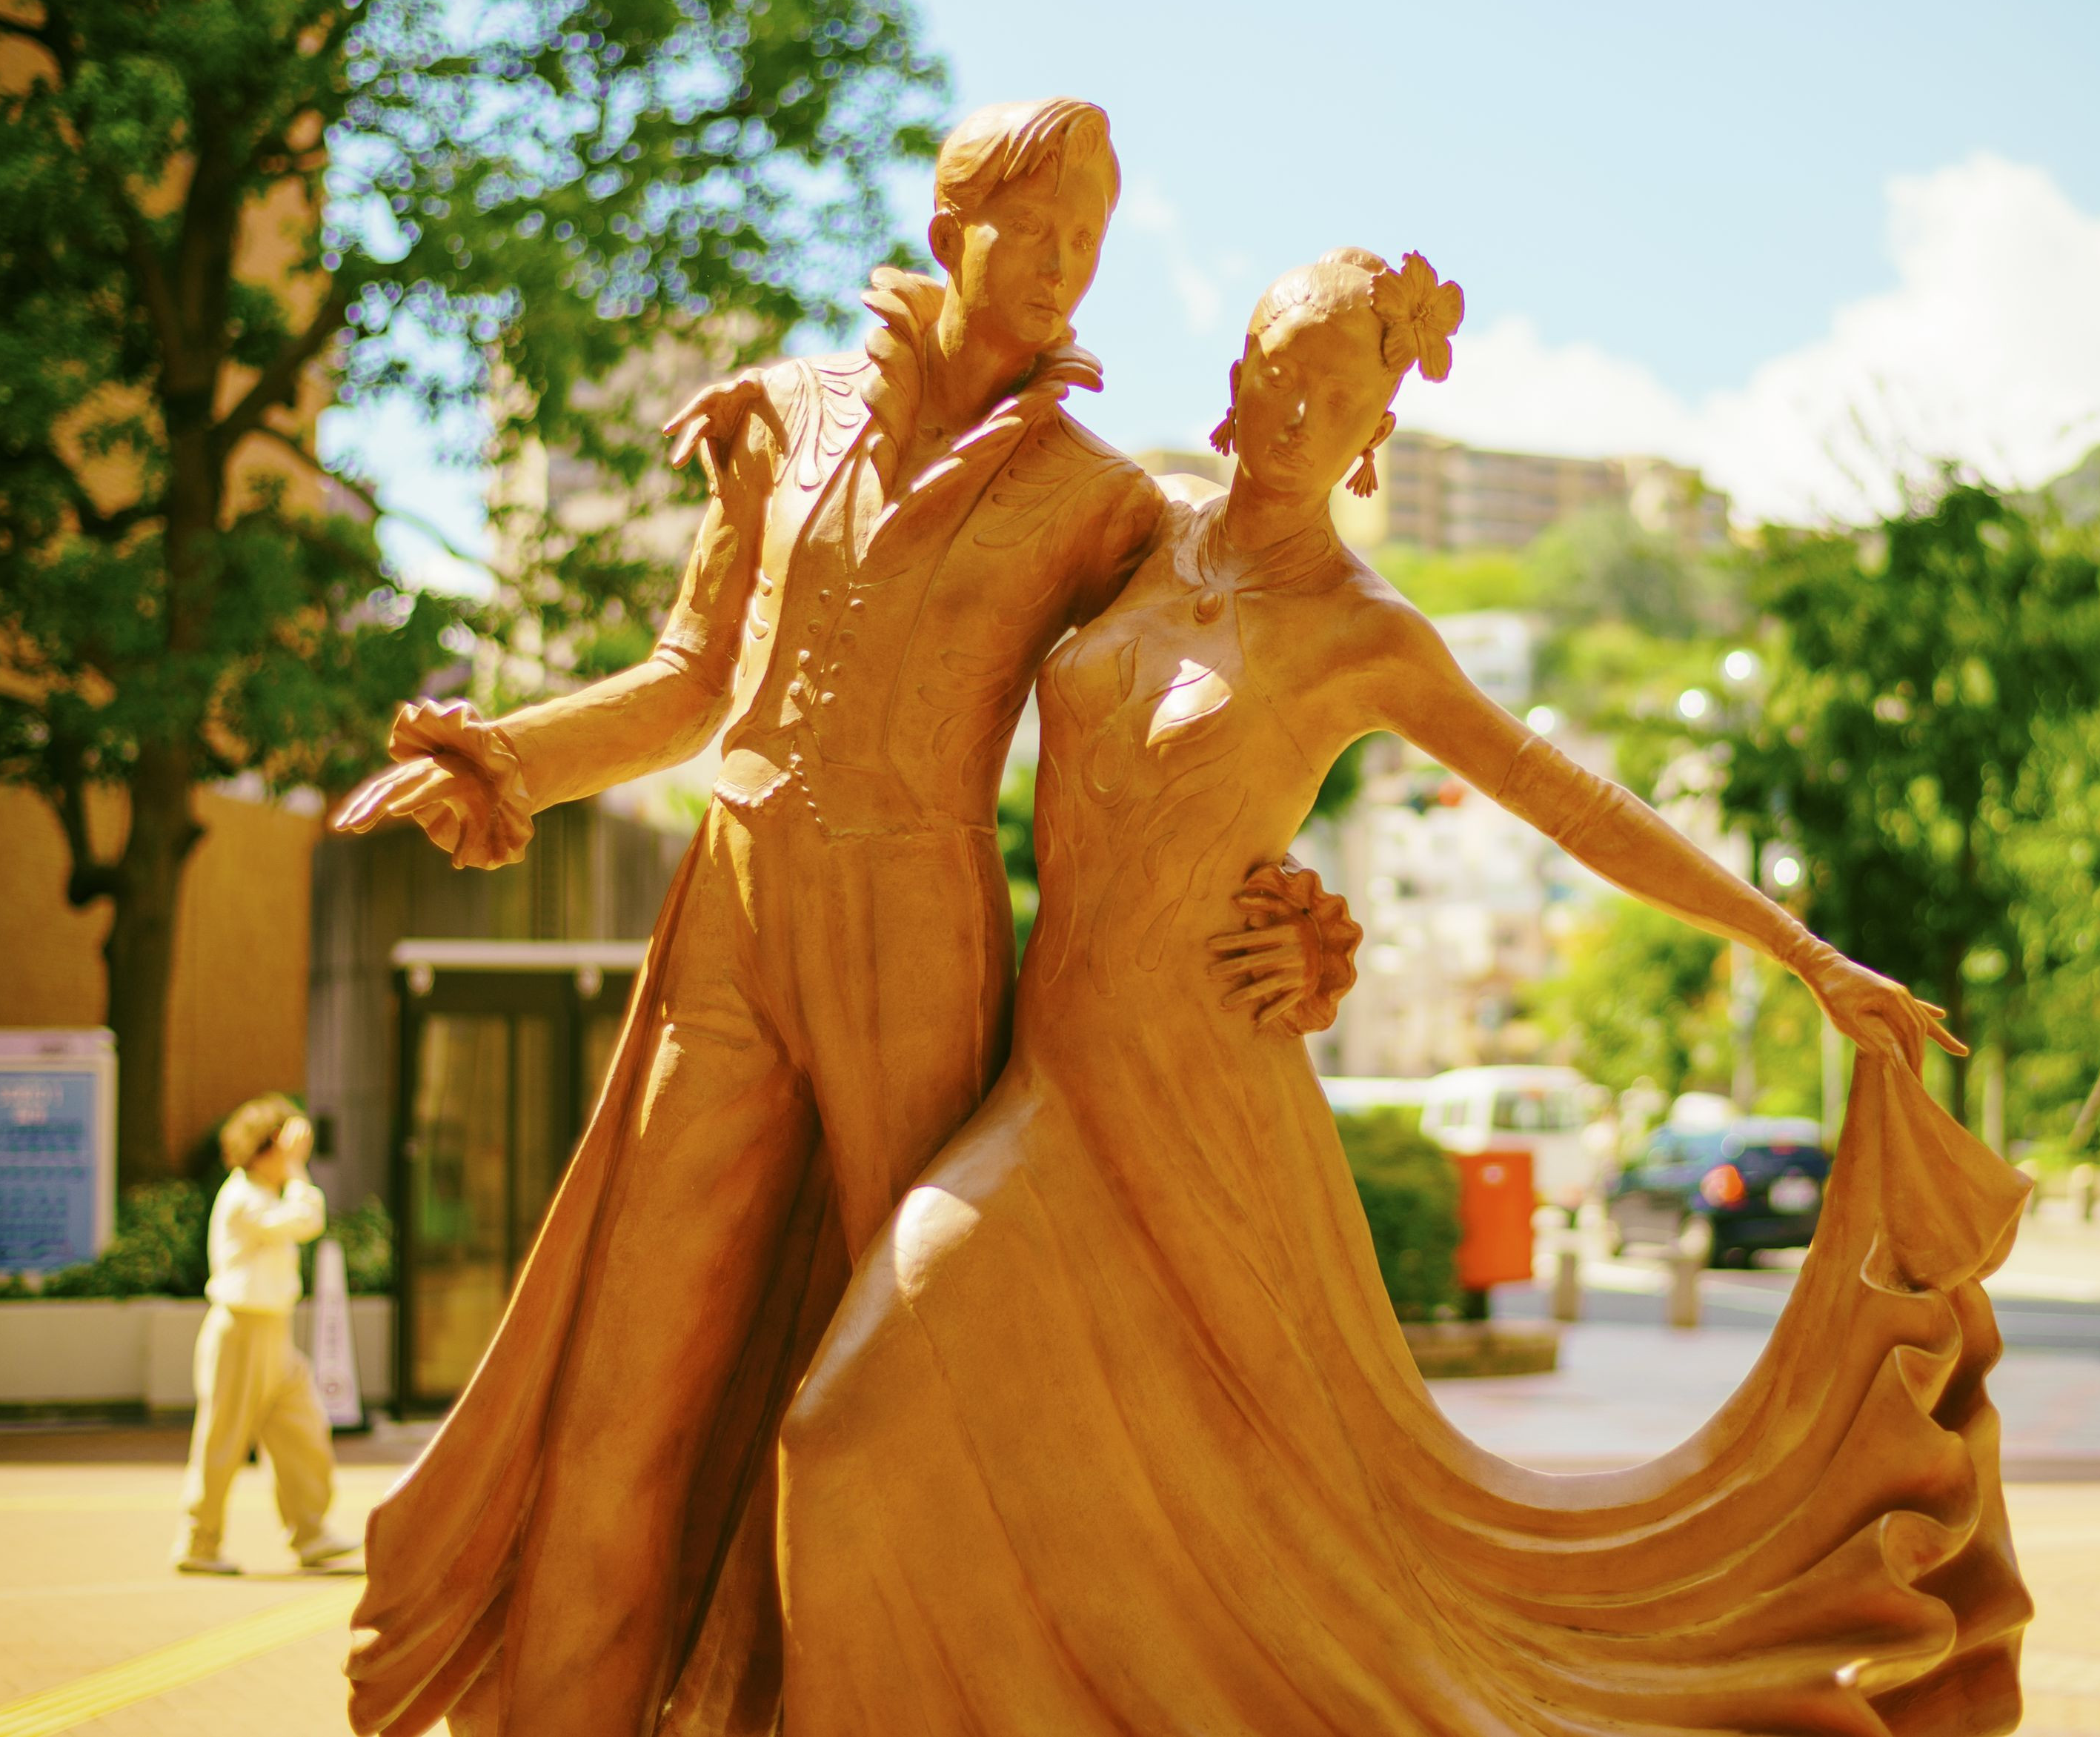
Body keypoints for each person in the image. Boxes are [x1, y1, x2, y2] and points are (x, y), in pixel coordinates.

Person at [773, 249, 2034, 1734]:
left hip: (1204, 1119)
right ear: (1234, 376)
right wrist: (783, 413)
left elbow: (1570, 802)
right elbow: (940, 514)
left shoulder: (1361, 630)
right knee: (866, 1440)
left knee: (1201, 1526)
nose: (1295, 415)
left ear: (1373, 439)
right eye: (1280, 377)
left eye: (1335, 400)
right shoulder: (1133, 533)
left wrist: (1803, 955)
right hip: (1052, 1091)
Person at [333, 100, 1352, 1737]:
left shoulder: (1102, 503)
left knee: (916, 1380)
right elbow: (689, 680)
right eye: (1039, 223)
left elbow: (1221, 686)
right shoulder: (785, 418)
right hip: (730, 911)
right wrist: (505, 755)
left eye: (1094, 236)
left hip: (920, 929)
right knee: (626, 1382)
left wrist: (1285, 915)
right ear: (952, 227)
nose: (1068, 261)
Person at [175, 1095, 357, 1575]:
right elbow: (305, 1220)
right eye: (287, 1147)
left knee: (303, 1431)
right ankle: (199, 1542)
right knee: (222, 1440)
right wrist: (297, 1167)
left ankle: (310, 1531)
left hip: (274, 1330)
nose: (296, 1157)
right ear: (265, 1148)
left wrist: (292, 1165)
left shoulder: (262, 1194)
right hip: (241, 1329)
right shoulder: (243, 1196)